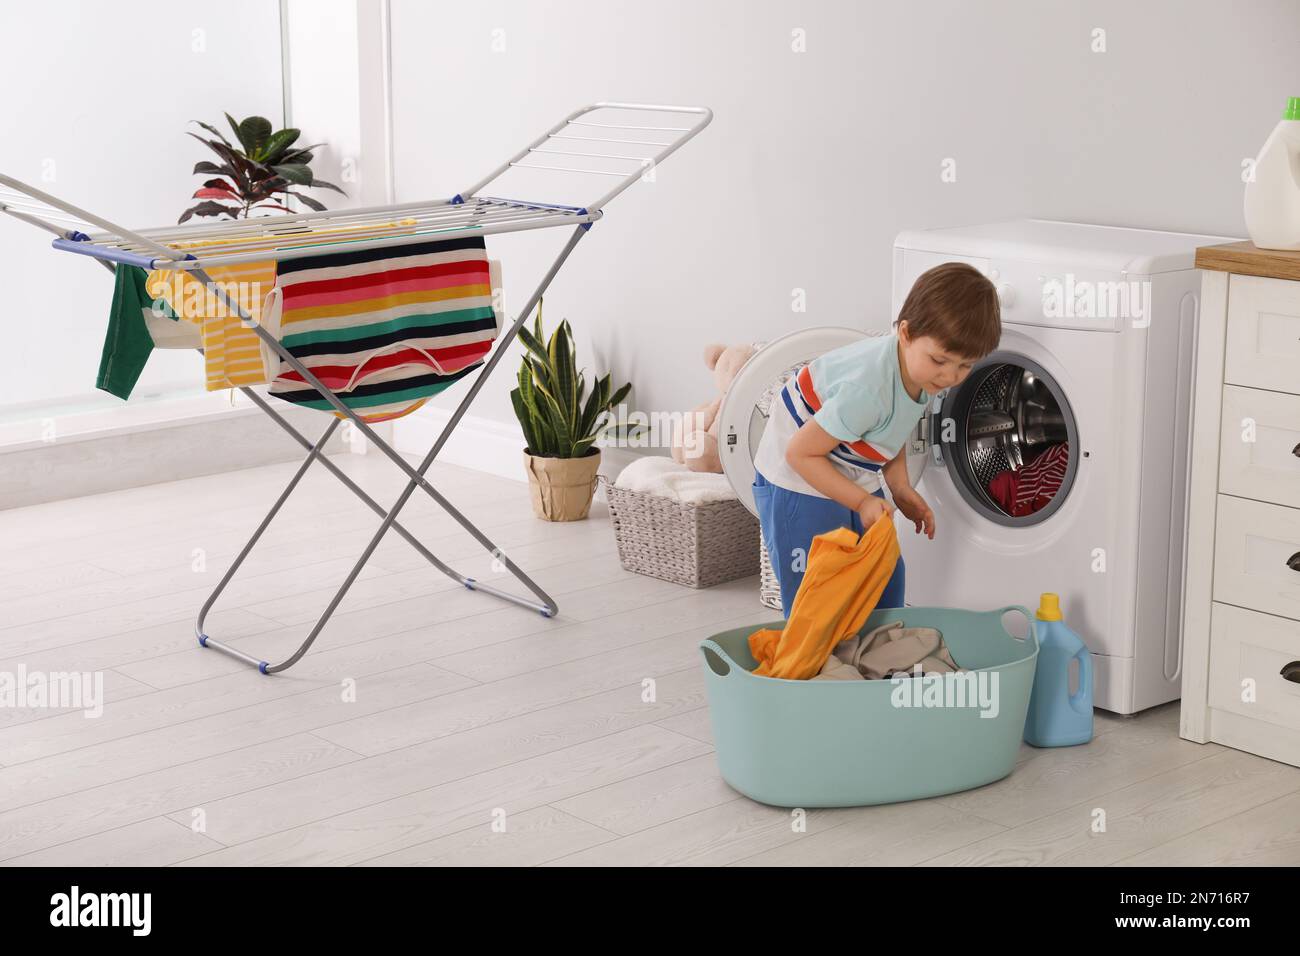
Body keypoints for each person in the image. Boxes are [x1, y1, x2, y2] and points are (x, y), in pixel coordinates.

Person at [752, 262, 1002, 616]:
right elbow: (800, 454)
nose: (950, 376)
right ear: (906, 333)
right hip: (798, 478)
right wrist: (862, 502)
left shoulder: (920, 373)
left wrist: (898, 487)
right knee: (819, 595)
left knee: (883, 576)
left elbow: (893, 427)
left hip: (846, 459)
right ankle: (812, 666)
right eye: (940, 360)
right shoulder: (867, 390)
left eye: (965, 366)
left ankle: (877, 654)